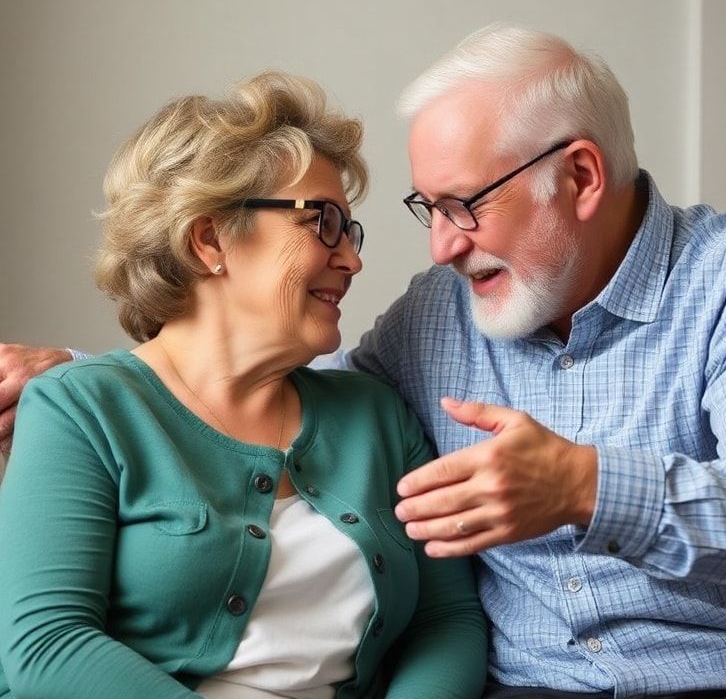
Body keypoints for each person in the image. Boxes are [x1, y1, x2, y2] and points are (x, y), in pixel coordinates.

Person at [2, 23, 726, 699]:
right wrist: (77, 388)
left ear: (580, 177)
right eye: (428, 210)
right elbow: (248, 407)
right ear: (210, 241)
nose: (440, 248)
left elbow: (429, 590)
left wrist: (583, 487)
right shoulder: (439, 313)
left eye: (465, 204)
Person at [0, 71, 487, 699]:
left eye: (350, 229)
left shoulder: (376, 415)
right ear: (210, 240)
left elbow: (445, 620)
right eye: (324, 223)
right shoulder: (78, 408)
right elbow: (46, 645)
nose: (352, 258)